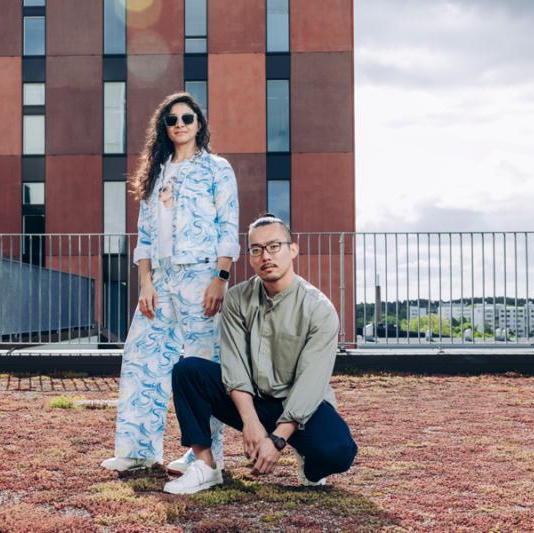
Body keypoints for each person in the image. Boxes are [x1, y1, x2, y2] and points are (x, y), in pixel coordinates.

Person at [163, 214, 358, 494]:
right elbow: (234, 365)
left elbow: (310, 384)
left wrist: (278, 440)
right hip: (253, 400)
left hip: (301, 405)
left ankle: (310, 466)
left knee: (339, 452)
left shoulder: (319, 309)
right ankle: (205, 465)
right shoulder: (236, 300)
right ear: (251, 257)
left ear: (293, 249)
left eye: (274, 246)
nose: (266, 256)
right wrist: (251, 423)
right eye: (256, 249)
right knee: (188, 371)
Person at [100, 92, 239, 474]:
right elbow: (144, 235)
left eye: (187, 118)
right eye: (172, 119)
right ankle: (138, 450)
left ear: (199, 124)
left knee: (200, 365)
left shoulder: (216, 169)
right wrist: (145, 282)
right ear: (163, 127)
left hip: (201, 276)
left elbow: (228, 227)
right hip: (159, 280)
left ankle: (204, 458)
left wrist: (221, 277)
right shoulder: (156, 172)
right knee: (142, 360)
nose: (179, 124)